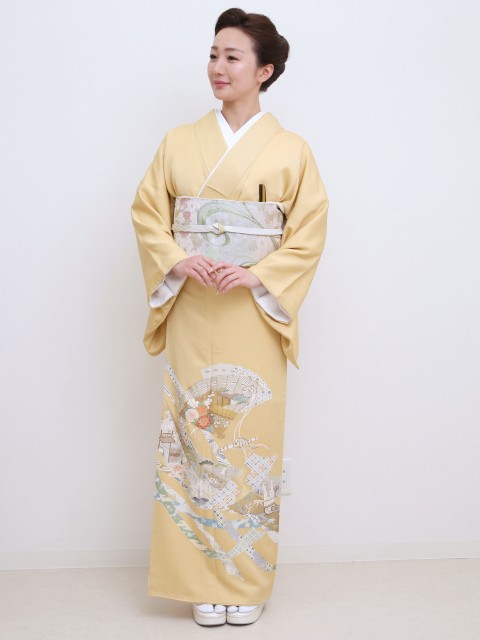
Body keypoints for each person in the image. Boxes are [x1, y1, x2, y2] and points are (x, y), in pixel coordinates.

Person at [131, 7, 328, 627]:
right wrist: (179, 260)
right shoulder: (177, 142)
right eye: (214, 54)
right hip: (194, 306)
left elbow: (308, 232)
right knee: (192, 437)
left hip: (252, 312)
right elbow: (147, 213)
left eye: (233, 57)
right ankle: (198, 580)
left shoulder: (292, 150)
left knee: (250, 436)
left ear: (264, 71)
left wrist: (259, 274)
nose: (218, 66)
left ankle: (245, 578)